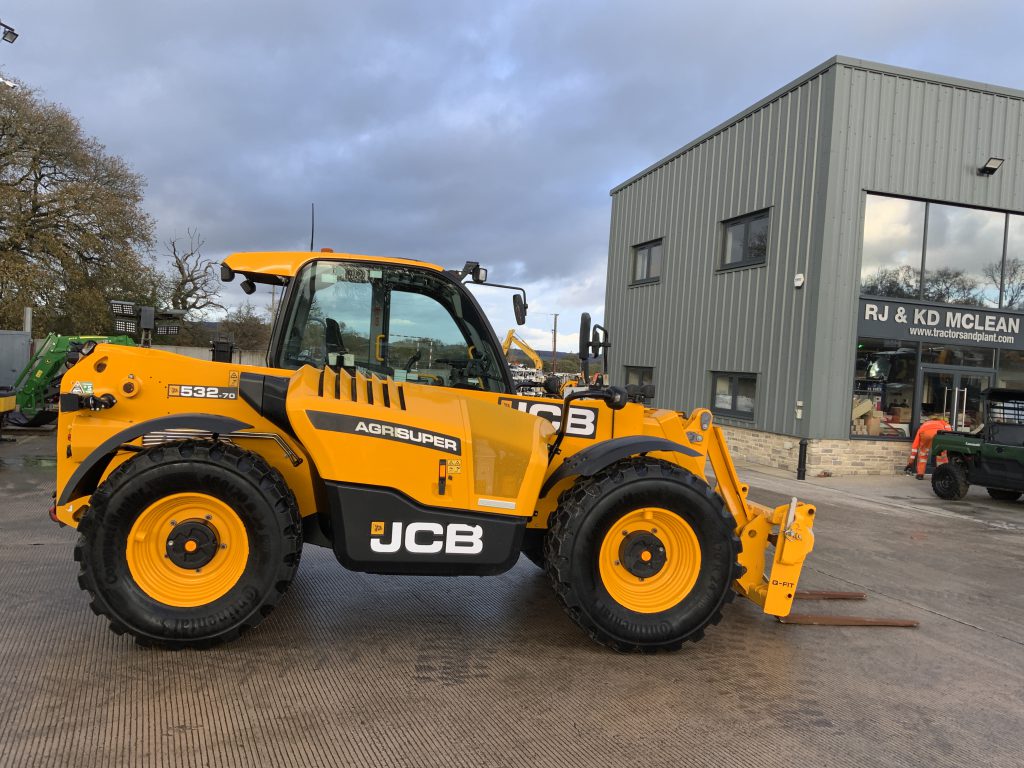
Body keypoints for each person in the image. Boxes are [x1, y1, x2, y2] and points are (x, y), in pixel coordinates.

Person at [905, 414, 952, 479]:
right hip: (938, 434)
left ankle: (920, 475)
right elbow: (949, 432)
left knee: (922, 454)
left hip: (925, 434)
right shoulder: (943, 422)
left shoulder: (924, 424)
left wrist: (910, 462)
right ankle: (943, 474)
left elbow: (915, 445)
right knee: (941, 455)